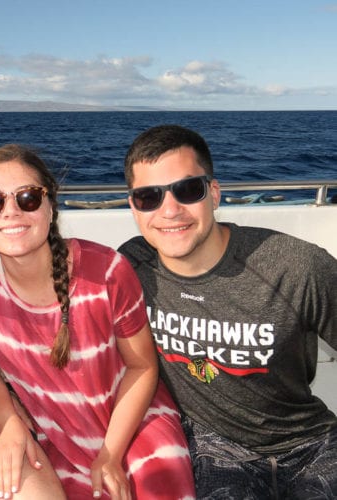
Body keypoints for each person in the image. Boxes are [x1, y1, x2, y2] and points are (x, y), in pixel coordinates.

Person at [0, 144, 196, 500]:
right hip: (57, 435)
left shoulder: (107, 271)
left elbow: (142, 367)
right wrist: (10, 423)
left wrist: (111, 454)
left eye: (28, 198)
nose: (11, 212)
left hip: (134, 424)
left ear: (50, 206)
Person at [118, 124, 337, 499]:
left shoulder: (295, 267)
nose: (169, 210)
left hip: (310, 440)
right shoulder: (130, 267)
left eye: (188, 190)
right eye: (148, 197)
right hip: (215, 448)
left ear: (213, 194)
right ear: (134, 207)